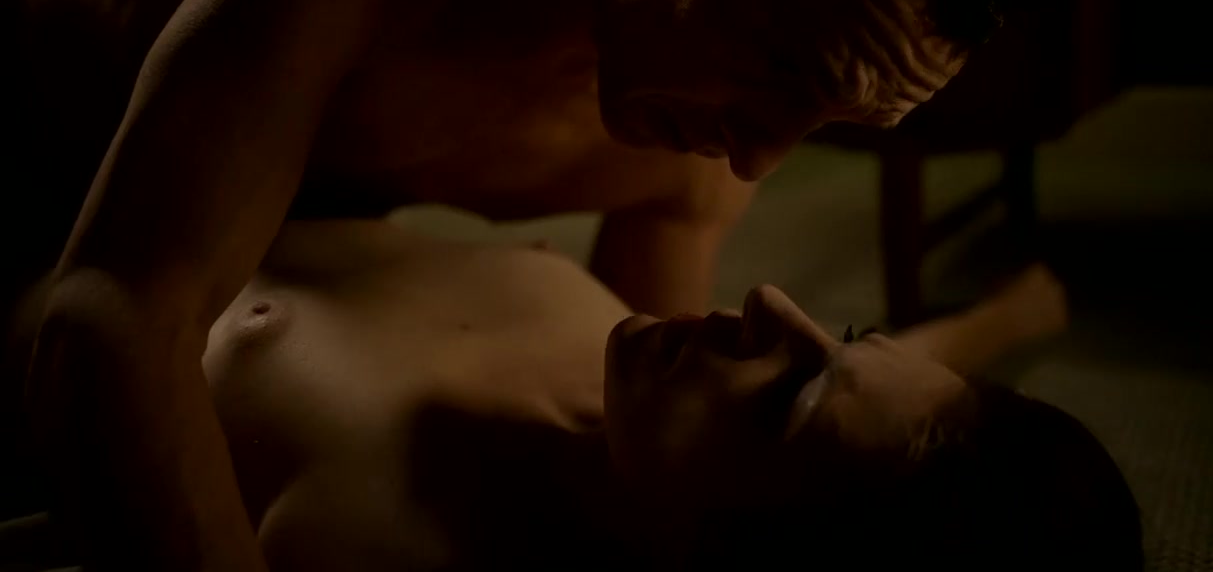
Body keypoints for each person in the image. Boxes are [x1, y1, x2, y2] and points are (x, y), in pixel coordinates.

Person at [1, 0, 1041, 567]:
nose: (757, 158)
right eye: (779, 66)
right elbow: (110, 320)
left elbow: (655, 466)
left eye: (824, 122)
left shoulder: (703, 133)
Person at [6, 219, 1142, 571]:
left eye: (788, 396)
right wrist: (996, 323)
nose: (770, 302)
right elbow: (862, 424)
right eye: (841, 335)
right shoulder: (652, 391)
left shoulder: (390, 546)